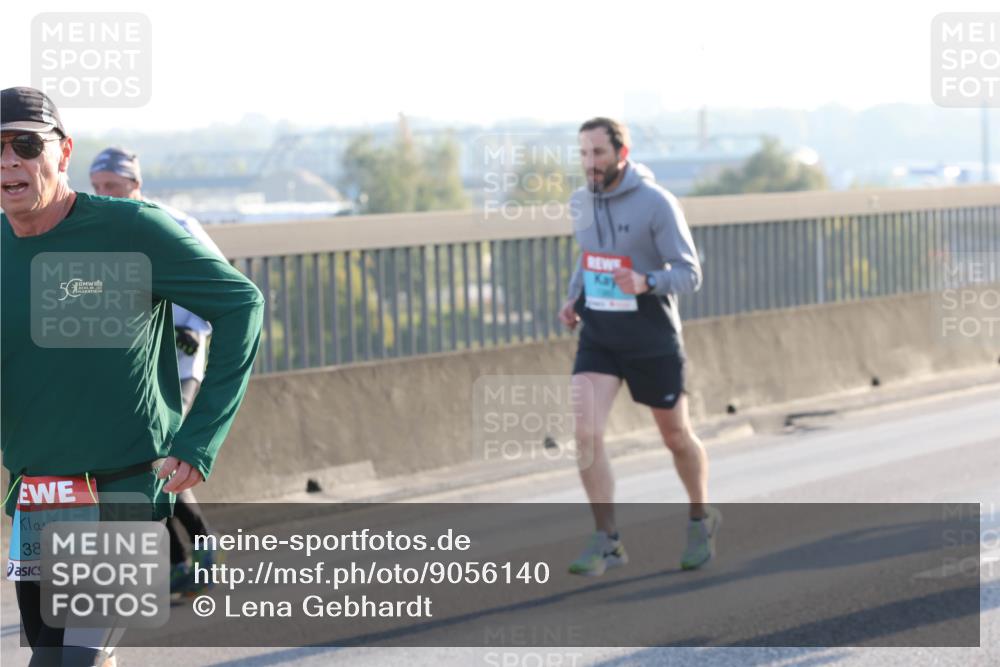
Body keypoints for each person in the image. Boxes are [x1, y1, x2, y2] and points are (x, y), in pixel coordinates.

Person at [1, 86, 264, 665]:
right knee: (66, 654)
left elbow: (242, 305)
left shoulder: (132, 230)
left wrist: (201, 439)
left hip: (121, 489)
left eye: (25, 144)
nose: (8, 161)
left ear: (63, 152)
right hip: (38, 496)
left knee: (64, 663)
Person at [558, 117, 720, 576]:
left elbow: (690, 273)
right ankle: (606, 538)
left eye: (599, 154)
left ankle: (700, 518)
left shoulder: (656, 203)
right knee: (586, 435)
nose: (590, 164)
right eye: (584, 154)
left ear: (621, 154)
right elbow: (587, 258)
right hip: (600, 337)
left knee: (675, 437)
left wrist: (646, 281)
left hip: (651, 336)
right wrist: (573, 299)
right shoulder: (579, 203)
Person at [90, 147, 222, 595]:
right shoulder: (102, 229)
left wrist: (194, 326)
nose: (104, 194)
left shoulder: (174, 224)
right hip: (129, 369)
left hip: (180, 364)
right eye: (97, 188)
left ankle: (200, 546)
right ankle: (179, 559)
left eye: (113, 186)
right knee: (134, 463)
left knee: (154, 456)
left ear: (135, 185)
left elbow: (220, 279)